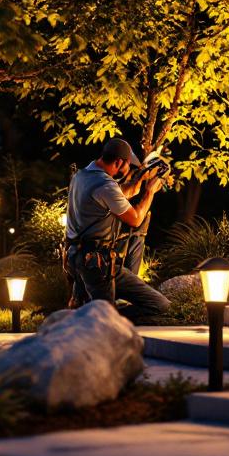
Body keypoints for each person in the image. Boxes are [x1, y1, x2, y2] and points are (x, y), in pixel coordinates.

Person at [65, 138, 170, 322]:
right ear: (119, 162)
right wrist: (150, 191)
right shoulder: (105, 185)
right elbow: (135, 219)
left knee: (97, 312)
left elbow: (120, 194)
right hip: (97, 264)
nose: (129, 168)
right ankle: (108, 320)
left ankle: (92, 316)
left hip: (78, 258)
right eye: (129, 164)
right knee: (157, 306)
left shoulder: (82, 175)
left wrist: (140, 178)